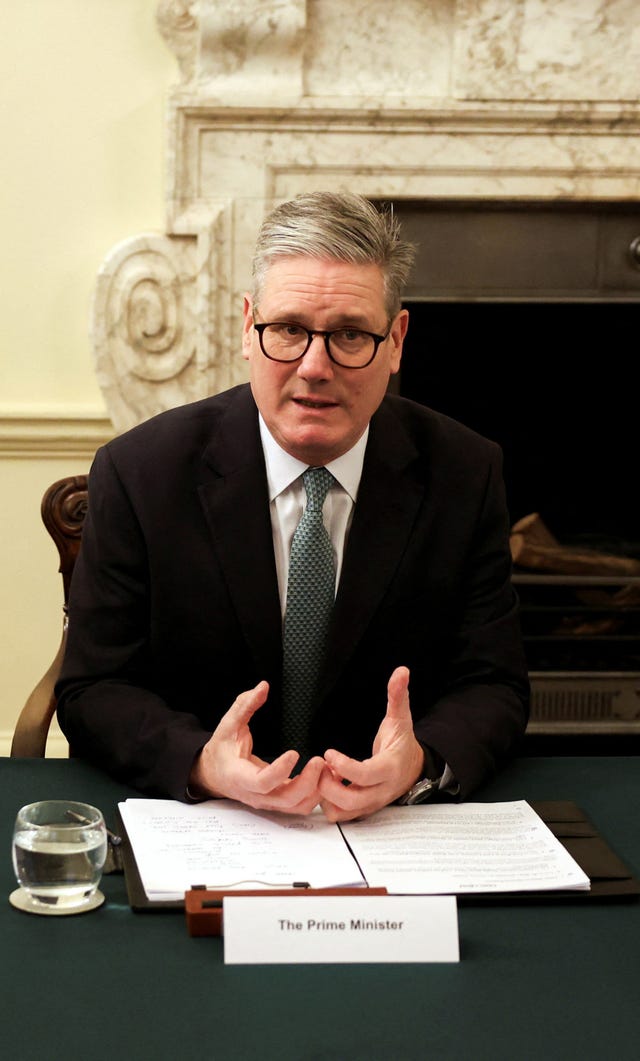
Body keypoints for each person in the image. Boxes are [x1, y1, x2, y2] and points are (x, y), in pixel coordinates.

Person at [56, 191, 529, 822]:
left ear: (396, 342)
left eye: (351, 335)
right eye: (288, 330)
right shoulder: (142, 472)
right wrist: (202, 762)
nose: (313, 367)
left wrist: (416, 762)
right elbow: (94, 688)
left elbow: (494, 685)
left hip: (391, 830)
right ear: (248, 327)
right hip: (205, 825)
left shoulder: (464, 473)